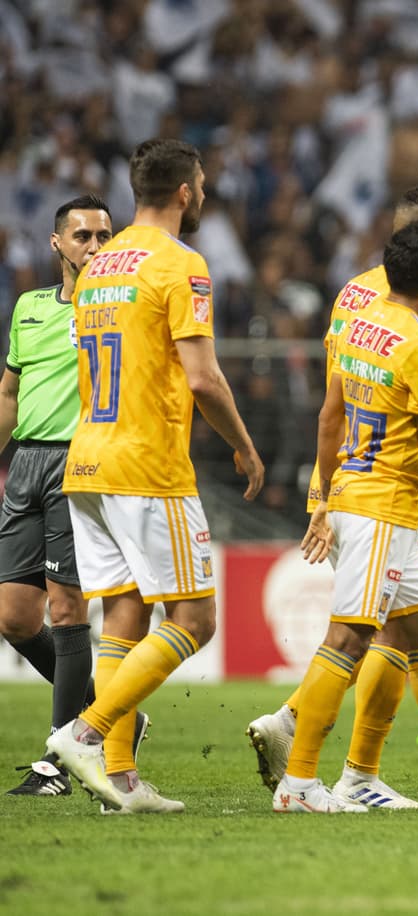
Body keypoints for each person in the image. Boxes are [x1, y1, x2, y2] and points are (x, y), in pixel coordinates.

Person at [245, 188, 418, 804]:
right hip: (383, 504)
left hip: (357, 492)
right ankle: (300, 779)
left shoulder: (358, 318)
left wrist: (324, 495)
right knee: (349, 640)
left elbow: (331, 412)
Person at [45, 138, 266, 812]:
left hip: (86, 463)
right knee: (195, 619)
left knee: (125, 616)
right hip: (146, 465)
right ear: (186, 191)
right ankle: (85, 732)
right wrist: (244, 446)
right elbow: (203, 377)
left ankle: (119, 779)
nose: (203, 197)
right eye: (202, 187)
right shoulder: (180, 262)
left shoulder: (97, 265)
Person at [1, 195, 119, 796]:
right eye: (82, 236)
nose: (94, 246)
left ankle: (58, 761)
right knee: (14, 617)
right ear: (57, 243)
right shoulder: (29, 307)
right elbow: (9, 393)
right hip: (25, 464)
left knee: (68, 609)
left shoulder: (118, 312)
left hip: (81, 464)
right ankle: (105, 714)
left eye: (104, 236)